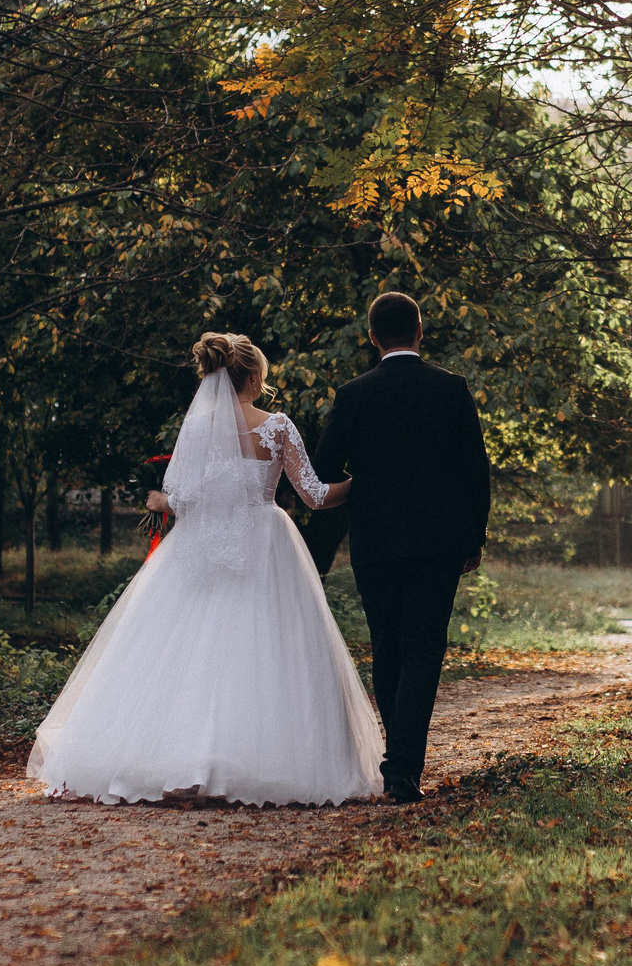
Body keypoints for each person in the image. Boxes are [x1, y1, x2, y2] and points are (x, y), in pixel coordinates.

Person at [26, 333, 384, 805]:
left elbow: (189, 499)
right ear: (255, 377)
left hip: (202, 549)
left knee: (188, 651)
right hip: (265, 546)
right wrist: (364, 482)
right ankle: (259, 761)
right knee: (263, 649)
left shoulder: (198, 428)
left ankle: (175, 759)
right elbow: (316, 497)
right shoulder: (277, 427)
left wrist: (163, 501)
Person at [312, 292, 492, 803]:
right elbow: (475, 470)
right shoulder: (451, 389)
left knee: (387, 645)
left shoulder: (353, 395)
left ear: (372, 337)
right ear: (420, 330)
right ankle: (403, 767)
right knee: (424, 650)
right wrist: (473, 538)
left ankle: (398, 758)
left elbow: (324, 471)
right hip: (439, 543)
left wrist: (368, 486)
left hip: (376, 541)